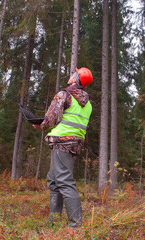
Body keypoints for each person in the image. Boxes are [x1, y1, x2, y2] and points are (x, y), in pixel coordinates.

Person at [33, 67, 93, 228]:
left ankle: (75, 225)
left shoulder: (64, 94)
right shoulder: (87, 104)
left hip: (62, 143)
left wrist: (40, 125)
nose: (71, 74)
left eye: (74, 73)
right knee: (54, 181)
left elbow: (52, 119)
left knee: (65, 182)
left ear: (76, 79)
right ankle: (54, 220)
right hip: (74, 144)